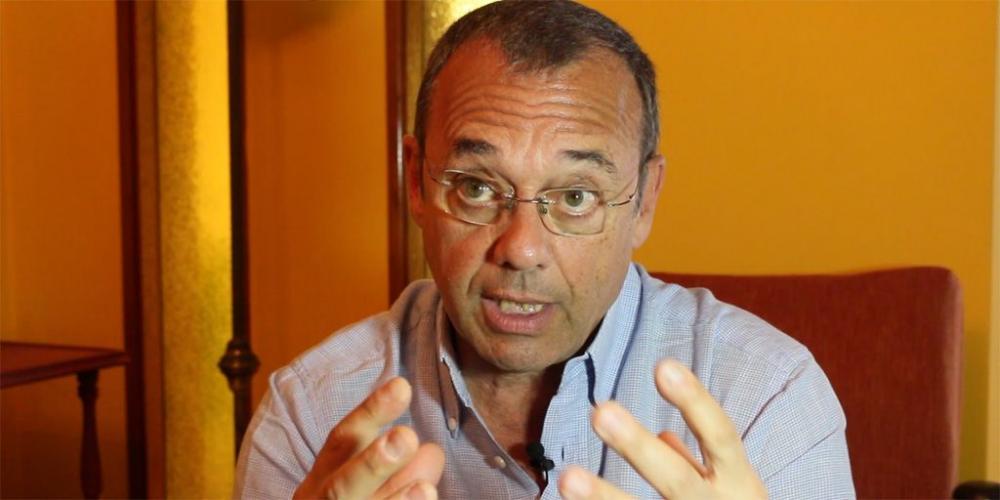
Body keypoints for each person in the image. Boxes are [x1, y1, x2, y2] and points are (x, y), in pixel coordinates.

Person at [234, 2, 855, 499]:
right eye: (477, 188)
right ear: (416, 181)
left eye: (576, 197)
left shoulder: (764, 397)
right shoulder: (313, 415)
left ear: (644, 200)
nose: (522, 249)